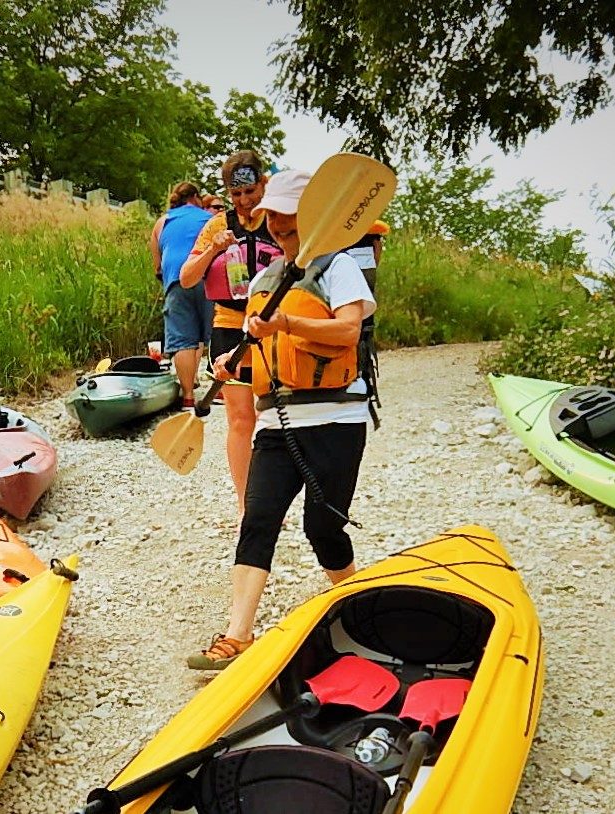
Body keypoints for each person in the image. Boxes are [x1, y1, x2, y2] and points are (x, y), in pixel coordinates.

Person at [187, 167, 376, 670]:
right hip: (278, 424)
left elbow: (347, 332)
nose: (277, 226)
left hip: (336, 421)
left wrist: (287, 320)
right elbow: (266, 353)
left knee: (323, 528)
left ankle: (361, 610)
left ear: (310, 218)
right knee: (258, 519)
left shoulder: (338, 268)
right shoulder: (266, 278)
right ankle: (237, 635)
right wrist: (232, 367)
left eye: (287, 217)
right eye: (272, 217)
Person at [178, 151, 279, 512]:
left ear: (264, 184)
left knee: (273, 414)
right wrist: (212, 251)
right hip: (229, 325)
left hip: (272, 326)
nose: (244, 201)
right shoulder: (216, 225)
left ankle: (273, 497)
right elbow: (187, 278)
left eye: (251, 191)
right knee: (240, 418)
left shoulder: (280, 218)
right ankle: (245, 505)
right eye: (236, 195)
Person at [150, 181, 215, 406]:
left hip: (177, 280)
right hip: (207, 277)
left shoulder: (162, 222)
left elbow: (157, 265)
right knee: (217, 334)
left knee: (182, 340)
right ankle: (224, 392)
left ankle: (188, 397)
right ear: (195, 197)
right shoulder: (209, 219)